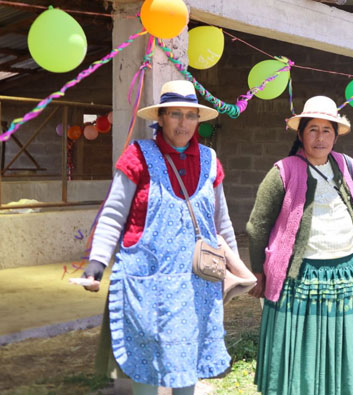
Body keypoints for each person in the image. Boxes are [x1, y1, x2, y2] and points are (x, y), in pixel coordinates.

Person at [80, 80, 238, 394]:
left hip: (197, 284)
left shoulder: (209, 161)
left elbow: (221, 222)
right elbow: (113, 215)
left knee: (187, 359)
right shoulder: (138, 157)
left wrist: (236, 266)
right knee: (147, 361)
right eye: (175, 114)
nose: (183, 123)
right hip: (147, 285)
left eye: (190, 115)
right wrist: (96, 264)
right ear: (161, 117)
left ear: (198, 120)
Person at [246, 96, 353, 395]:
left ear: (335, 134)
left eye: (327, 130)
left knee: (342, 344)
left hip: (345, 274)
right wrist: (259, 271)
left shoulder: (348, 167)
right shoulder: (283, 171)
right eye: (313, 130)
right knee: (301, 346)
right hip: (300, 276)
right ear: (300, 134)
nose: (320, 138)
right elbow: (257, 226)